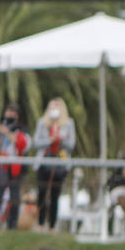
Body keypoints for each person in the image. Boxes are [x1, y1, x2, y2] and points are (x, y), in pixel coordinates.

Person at [33, 96, 76, 231]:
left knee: (55, 195)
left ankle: (52, 225)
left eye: (56, 106)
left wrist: (61, 140)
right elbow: (36, 143)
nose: (53, 109)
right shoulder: (42, 123)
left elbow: (71, 144)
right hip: (44, 161)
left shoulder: (68, 123)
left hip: (60, 162)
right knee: (42, 192)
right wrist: (50, 140)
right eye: (51, 106)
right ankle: (40, 223)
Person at [0, 102, 30, 230]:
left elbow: (22, 144)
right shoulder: (0, 126)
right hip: (0, 167)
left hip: (14, 168)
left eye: (13, 113)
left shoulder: (22, 129)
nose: (9, 116)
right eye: (8, 112)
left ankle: (12, 224)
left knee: (14, 197)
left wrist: (6, 132)